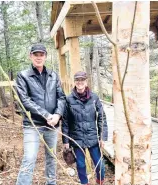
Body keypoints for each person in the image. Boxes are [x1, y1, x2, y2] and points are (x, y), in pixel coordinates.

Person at [16, 43, 66, 185]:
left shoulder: (53, 75)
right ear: (30, 56)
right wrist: (46, 115)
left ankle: (51, 183)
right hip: (33, 125)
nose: (39, 57)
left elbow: (61, 97)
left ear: (45, 56)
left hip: (52, 125)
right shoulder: (23, 76)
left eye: (41, 55)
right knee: (30, 157)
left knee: (52, 157)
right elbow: (24, 100)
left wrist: (57, 115)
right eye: (35, 55)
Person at [62, 71, 108, 185]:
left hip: (92, 137)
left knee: (100, 165)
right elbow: (65, 121)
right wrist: (66, 141)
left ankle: (100, 182)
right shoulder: (69, 99)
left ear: (86, 82)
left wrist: (102, 137)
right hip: (77, 138)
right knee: (81, 165)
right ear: (75, 82)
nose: (80, 82)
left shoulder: (94, 98)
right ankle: (84, 183)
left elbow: (102, 117)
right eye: (78, 80)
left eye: (82, 80)